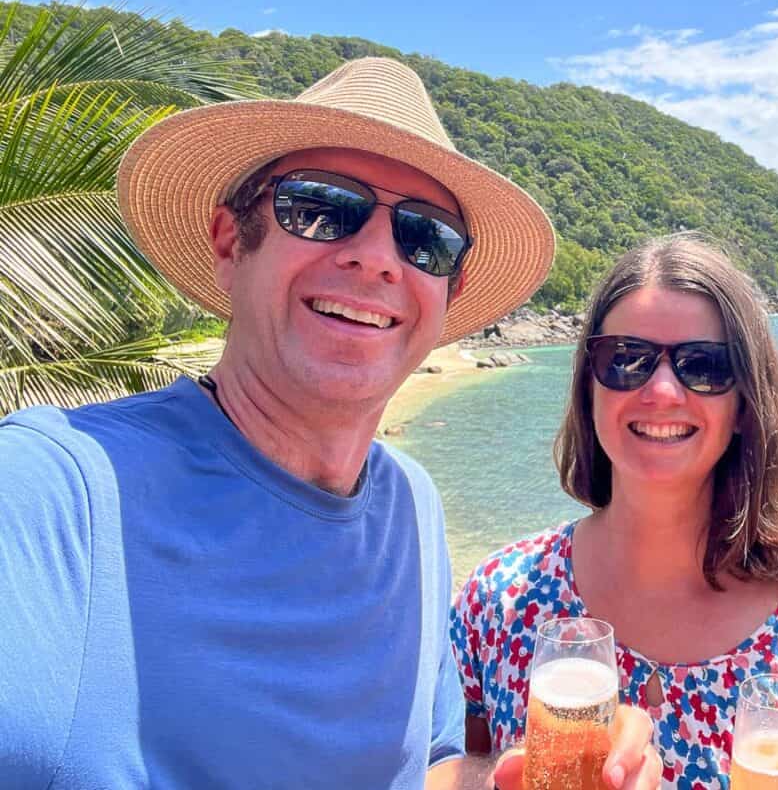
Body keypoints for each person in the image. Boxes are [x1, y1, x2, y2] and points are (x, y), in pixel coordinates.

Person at [0, 57, 661, 790]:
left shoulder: (410, 504)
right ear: (230, 241)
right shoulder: (52, 498)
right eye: (319, 207)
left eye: (426, 237)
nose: (377, 257)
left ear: (449, 289)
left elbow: (429, 766)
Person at [452, 233, 778, 789]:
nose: (661, 390)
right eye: (625, 360)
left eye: (703, 366)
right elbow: (441, 764)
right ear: (589, 387)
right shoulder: (499, 601)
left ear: (745, 405)